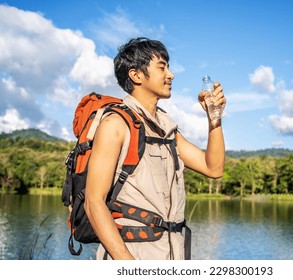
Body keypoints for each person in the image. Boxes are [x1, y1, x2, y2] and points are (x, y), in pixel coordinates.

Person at [84, 37, 226, 260]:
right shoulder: (115, 124)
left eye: (168, 67)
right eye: (162, 67)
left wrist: (214, 118)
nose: (171, 74)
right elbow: (94, 203)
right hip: (133, 256)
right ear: (136, 74)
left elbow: (214, 168)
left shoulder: (167, 130)